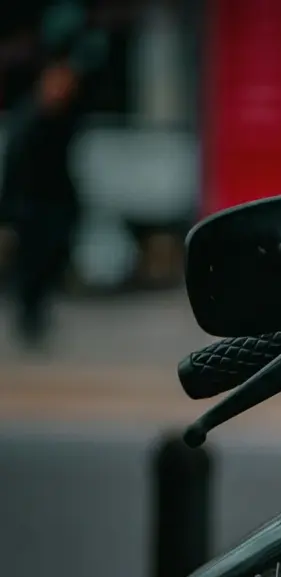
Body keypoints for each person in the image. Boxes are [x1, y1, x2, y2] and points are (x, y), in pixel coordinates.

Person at [0, 3, 107, 347]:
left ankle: (37, 315)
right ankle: (30, 319)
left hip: (56, 202)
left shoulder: (65, 118)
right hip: (31, 205)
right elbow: (15, 166)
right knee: (32, 266)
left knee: (50, 259)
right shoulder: (29, 121)